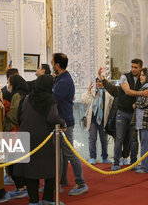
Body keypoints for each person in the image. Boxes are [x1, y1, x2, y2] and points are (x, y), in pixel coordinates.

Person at [14, 75, 66, 205]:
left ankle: (34, 201)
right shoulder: (50, 99)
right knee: (51, 169)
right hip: (44, 138)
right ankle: (48, 199)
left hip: (27, 136)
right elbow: (53, 117)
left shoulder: (27, 98)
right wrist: (63, 123)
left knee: (30, 171)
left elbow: (19, 116)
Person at [98, 60, 148, 171]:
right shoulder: (124, 77)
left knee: (134, 140)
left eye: (136, 67)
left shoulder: (143, 81)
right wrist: (142, 94)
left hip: (135, 114)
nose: (133, 69)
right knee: (119, 138)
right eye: (132, 67)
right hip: (122, 112)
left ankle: (133, 163)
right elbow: (127, 91)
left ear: (141, 68)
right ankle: (116, 163)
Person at [51, 53, 88, 196]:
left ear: (58, 65)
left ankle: (81, 182)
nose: (52, 65)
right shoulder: (60, 79)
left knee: (69, 153)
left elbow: (53, 99)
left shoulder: (64, 81)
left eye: (52, 62)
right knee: (59, 154)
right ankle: (58, 183)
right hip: (59, 122)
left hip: (64, 122)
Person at [3, 75, 29, 200]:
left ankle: (20, 188)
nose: (8, 85)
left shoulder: (16, 96)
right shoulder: (27, 94)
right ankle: (23, 186)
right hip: (23, 130)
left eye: (9, 82)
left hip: (14, 132)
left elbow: (13, 115)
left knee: (11, 160)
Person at [81, 78, 114, 164]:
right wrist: (88, 90)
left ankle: (104, 157)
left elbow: (111, 107)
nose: (99, 83)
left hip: (103, 120)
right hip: (93, 120)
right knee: (92, 139)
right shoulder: (92, 92)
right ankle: (92, 157)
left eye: (100, 81)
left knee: (104, 140)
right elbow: (84, 101)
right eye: (97, 81)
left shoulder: (108, 94)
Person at [133, 68, 148, 173]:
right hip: (145, 120)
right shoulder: (147, 87)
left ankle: (146, 167)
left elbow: (144, 103)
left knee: (145, 143)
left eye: (143, 75)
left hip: (145, 120)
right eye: (141, 75)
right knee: (146, 142)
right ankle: (147, 165)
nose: (141, 77)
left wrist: (135, 104)